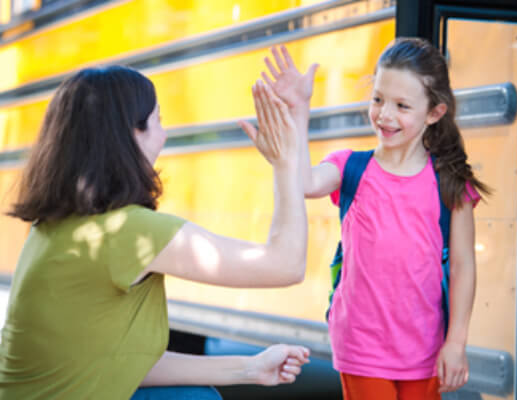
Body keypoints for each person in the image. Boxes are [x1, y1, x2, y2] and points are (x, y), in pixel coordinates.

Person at [0, 66, 310, 399]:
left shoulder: (57, 225)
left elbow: (117, 362)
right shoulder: (128, 232)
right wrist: (286, 164)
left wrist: (250, 368)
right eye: (158, 120)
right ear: (131, 134)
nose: (164, 135)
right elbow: (285, 264)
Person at [255, 38, 490, 400]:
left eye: (402, 106)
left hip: (425, 348)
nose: (384, 115)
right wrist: (299, 109)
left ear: (434, 113)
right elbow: (303, 182)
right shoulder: (351, 167)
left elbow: (462, 267)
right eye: (378, 99)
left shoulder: (449, 182)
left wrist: (456, 341)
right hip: (361, 347)